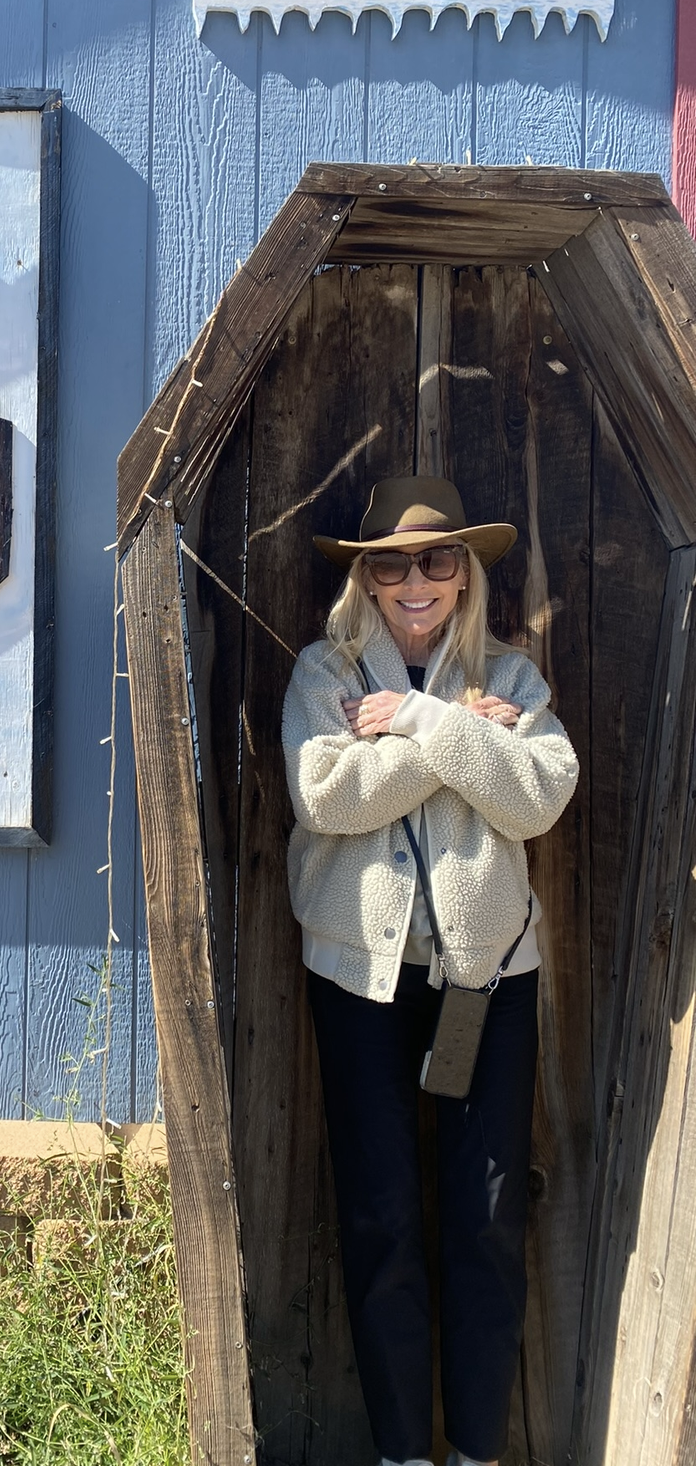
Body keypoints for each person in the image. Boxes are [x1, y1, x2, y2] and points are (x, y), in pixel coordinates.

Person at [280, 476, 579, 1466]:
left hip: (491, 977)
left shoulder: (514, 680)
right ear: (363, 575)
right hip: (362, 980)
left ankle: (477, 1451)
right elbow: (328, 791)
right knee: (380, 1211)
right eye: (390, 561)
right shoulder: (324, 673)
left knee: (488, 1214)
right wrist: (467, 736)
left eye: (438, 559)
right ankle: (406, 1450)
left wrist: (418, 722)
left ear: (466, 572)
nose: (416, 580)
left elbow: (539, 795)